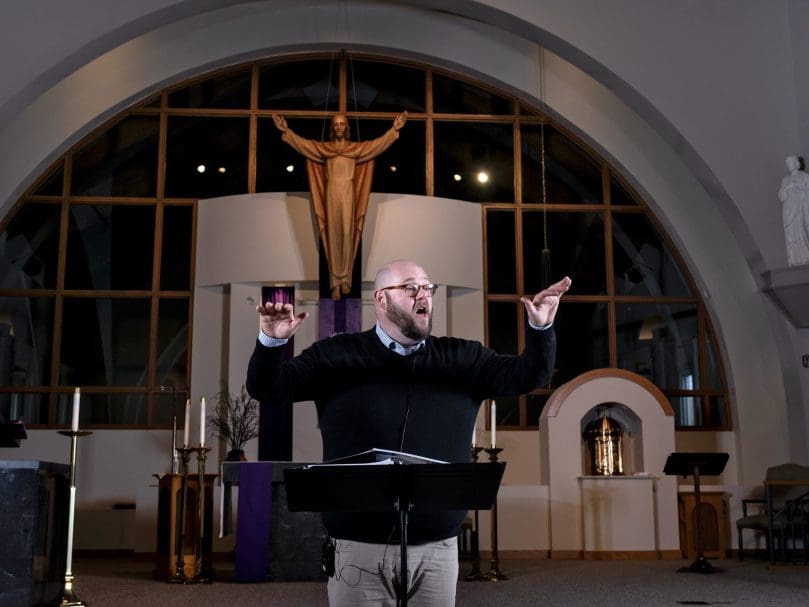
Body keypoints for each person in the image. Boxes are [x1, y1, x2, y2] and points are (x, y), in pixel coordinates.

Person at [246, 259, 571, 607]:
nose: (424, 295)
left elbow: (528, 375)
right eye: (410, 287)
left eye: (428, 288)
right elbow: (269, 389)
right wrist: (271, 343)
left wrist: (541, 327)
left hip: (438, 550)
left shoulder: (463, 359)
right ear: (382, 299)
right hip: (359, 548)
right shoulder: (335, 355)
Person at [272, 112, 408, 298]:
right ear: (332, 128)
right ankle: (335, 281)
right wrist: (286, 131)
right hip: (331, 194)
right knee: (333, 234)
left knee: (347, 233)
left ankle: (346, 278)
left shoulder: (354, 149)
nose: (338, 127)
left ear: (347, 127)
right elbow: (305, 146)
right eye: (335, 124)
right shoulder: (325, 149)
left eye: (342, 124)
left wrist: (394, 130)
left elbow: (376, 146)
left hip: (348, 194)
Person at [778, 155, 809, 266]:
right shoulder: (785, 180)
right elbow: (781, 196)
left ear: (796, 163)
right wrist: (786, 188)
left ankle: (805, 256)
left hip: (800, 208)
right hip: (788, 210)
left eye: (791, 162)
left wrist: (796, 185)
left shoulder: (804, 176)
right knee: (790, 234)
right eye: (788, 163)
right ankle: (794, 259)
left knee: (800, 229)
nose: (789, 165)